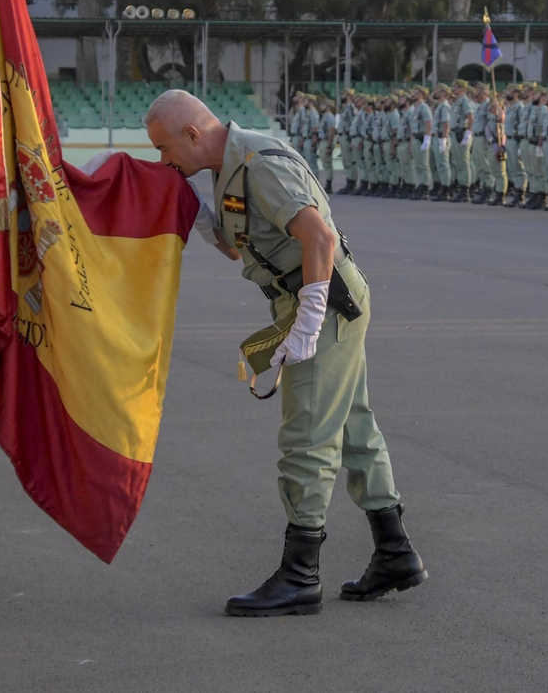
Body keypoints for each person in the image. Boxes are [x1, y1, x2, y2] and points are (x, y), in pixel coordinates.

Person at [144, 89, 426, 616]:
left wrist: (311, 318)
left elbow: (317, 236)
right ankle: (394, 551)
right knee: (351, 426)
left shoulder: (257, 165)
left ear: (192, 134)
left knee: (308, 435)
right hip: (306, 300)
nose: (165, 162)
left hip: (322, 301)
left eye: (164, 149)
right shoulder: (226, 169)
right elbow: (238, 245)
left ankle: (301, 574)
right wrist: (200, 219)